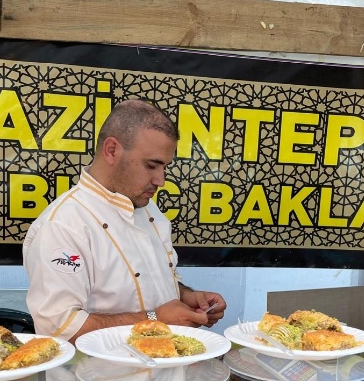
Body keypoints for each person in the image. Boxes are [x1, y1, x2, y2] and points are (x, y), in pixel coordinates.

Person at [23, 99, 227, 343]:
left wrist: (188, 297)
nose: (161, 180)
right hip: (100, 379)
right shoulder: (63, 226)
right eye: (152, 165)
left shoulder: (150, 212)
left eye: (165, 167)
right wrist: (155, 319)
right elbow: (59, 330)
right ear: (111, 150)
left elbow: (153, 281)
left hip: (166, 371)